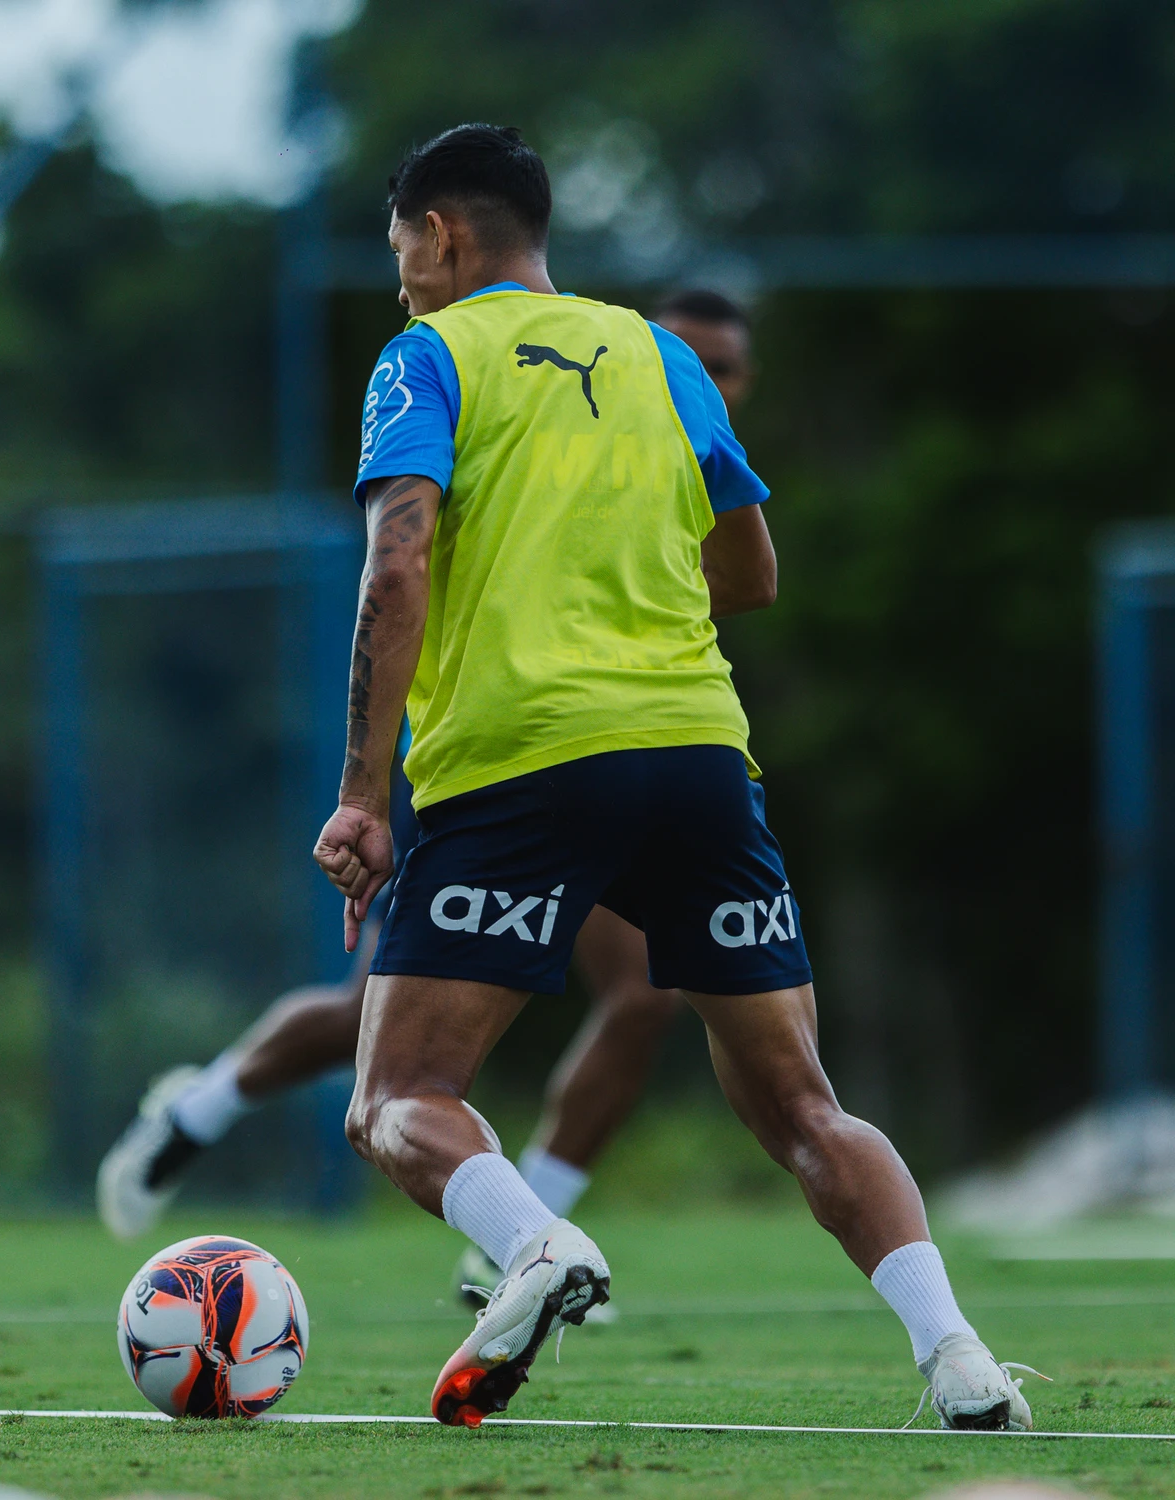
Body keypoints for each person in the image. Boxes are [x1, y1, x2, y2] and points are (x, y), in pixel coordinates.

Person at [310, 123, 1038, 1431]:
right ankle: (960, 1359)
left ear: (444, 236)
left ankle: (537, 1245)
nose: (400, 275)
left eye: (399, 249)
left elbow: (399, 563)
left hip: (522, 760)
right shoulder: (659, 352)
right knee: (803, 1102)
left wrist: (363, 793)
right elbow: (753, 572)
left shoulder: (425, 356)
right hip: (700, 755)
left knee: (397, 1097)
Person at [95, 297, 759, 1294]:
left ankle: (519, 1241)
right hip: (486, 758)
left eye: (730, 366)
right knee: (367, 1019)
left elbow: (746, 575)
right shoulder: (543, 411)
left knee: (646, 994)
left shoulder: (678, 448)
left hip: (620, 754)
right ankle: (198, 1111)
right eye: (698, 356)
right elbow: (410, 559)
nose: (714, 375)